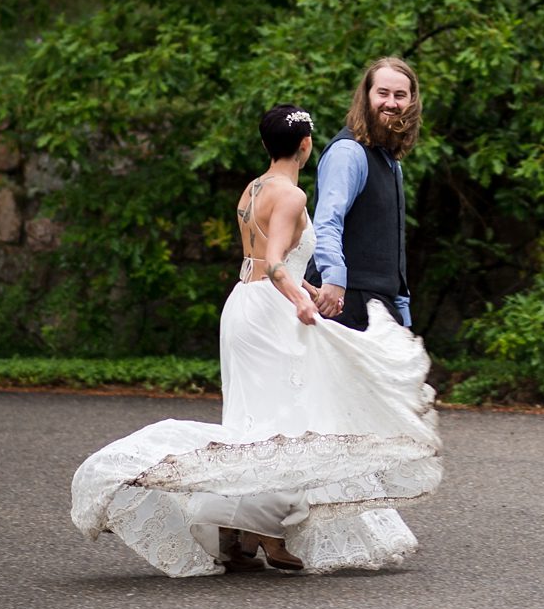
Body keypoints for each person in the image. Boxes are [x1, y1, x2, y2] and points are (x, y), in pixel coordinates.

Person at [70, 104, 442, 576]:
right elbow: (277, 262)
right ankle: (267, 532)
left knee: (253, 419)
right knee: (283, 421)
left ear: (268, 146)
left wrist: (303, 288)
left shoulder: (252, 189)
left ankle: (236, 531)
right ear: (305, 146)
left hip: (243, 305)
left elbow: (259, 262)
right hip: (270, 312)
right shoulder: (291, 195)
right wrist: (301, 300)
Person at [311, 57, 420, 332]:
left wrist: (401, 308)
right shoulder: (348, 153)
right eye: (382, 93)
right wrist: (334, 279)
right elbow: (327, 222)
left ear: (411, 102)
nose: (391, 103)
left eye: (400, 95)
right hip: (343, 302)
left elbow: (391, 246)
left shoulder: (391, 164)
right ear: (366, 97)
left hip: (379, 306)